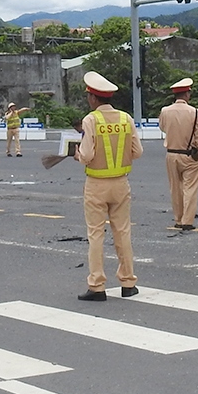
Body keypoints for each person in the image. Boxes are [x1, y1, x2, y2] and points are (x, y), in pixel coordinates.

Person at [75, 71, 142, 301]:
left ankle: (97, 285)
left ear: (93, 98)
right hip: (121, 183)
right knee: (122, 232)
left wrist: (77, 154)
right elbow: (138, 152)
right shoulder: (125, 118)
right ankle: (128, 282)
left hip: (96, 184)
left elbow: (85, 155)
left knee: (96, 235)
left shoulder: (91, 120)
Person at [157, 77, 198, 230]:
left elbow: (163, 128)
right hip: (189, 154)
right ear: (187, 94)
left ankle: (178, 218)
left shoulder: (165, 111)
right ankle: (187, 221)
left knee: (175, 188)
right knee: (190, 188)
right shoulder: (194, 112)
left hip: (171, 153)